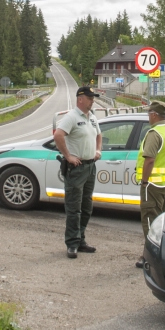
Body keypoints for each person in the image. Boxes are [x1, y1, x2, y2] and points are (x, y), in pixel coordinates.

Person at [54, 85, 102, 259]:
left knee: (86, 206)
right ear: (80, 99)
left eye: (93, 98)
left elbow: (98, 135)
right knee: (74, 208)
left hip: (90, 166)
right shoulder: (72, 117)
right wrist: (68, 156)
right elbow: (58, 135)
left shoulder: (92, 117)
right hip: (76, 168)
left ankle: (81, 239)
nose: (92, 101)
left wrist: (98, 150)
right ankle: (72, 243)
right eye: (89, 98)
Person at [135, 101, 165, 268]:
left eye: (149, 113)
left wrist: (145, 181)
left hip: (152, 184)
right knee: (161, 221)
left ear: (154, 115)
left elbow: (150, 160)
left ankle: (149, 257)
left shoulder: (154, 133)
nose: (148, 116)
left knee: (150, 220)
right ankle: (162, 254)